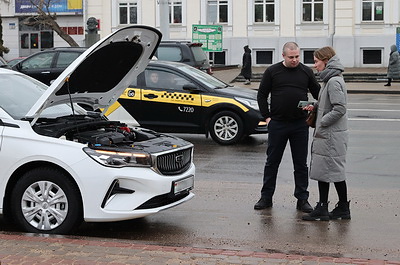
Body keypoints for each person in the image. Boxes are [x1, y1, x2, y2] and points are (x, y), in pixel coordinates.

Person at [254, 42, 320, 212]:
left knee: (301, 164)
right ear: (283, 56)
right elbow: (261, 95)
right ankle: (266, 197)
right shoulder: (272, 71)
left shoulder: (306, 71)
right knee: (272, 162)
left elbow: (319, 94)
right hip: (277, 124)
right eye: (291, 57)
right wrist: (267, 117)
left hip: (299, 124)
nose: (295, 60)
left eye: (297, 56)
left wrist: (313, 106)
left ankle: (302, 199)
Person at [302, 46, 350, 221]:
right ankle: (340, 208)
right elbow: (329, 104)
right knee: (329, 171)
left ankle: (325, 208)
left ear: (326, 61)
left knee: (331, 171)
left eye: (316, 61)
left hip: (330, 135)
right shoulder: (329, 80)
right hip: (330, 135)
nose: (315, 65)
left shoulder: (333, 81)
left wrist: (322, 121)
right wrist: (315, 107)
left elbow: (339, 109)